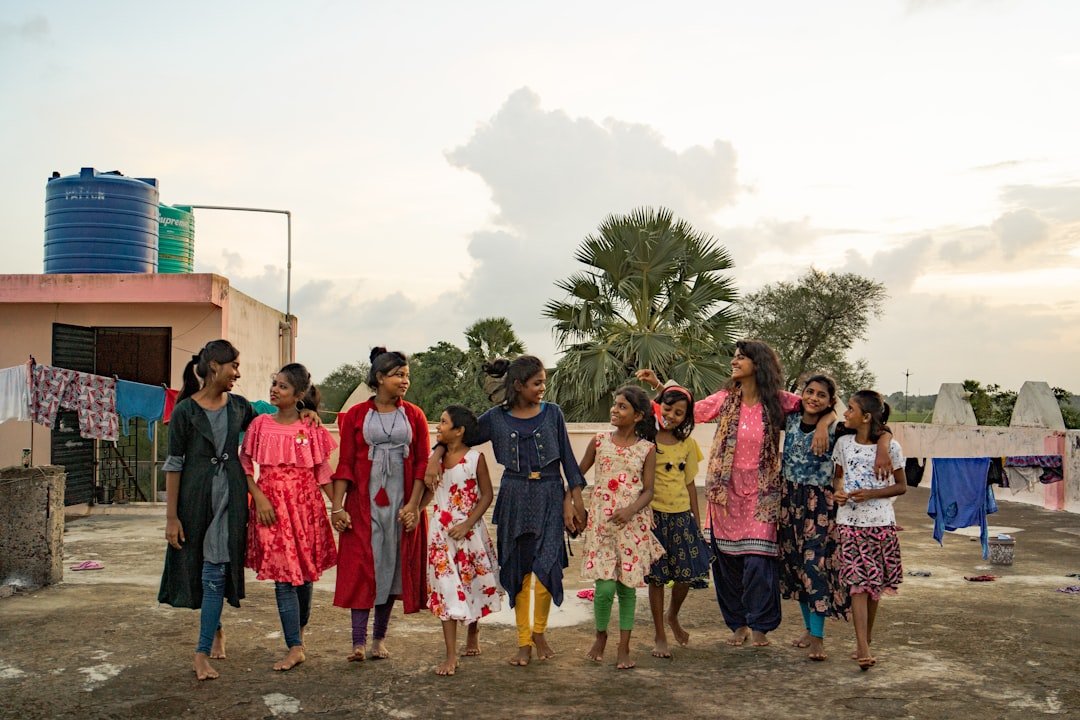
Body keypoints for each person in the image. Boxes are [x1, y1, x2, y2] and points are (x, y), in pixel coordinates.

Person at [426, 355, 587, 667]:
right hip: (514, 497)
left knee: (547, 567)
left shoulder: (553, 413)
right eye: (537, 382)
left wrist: (574, 500)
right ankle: (524, 641)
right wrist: (436, 454)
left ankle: (539, 632)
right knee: (520, 571)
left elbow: (568, 459)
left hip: (550, 494)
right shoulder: (496, 418)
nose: (542, 387)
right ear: (518, 385)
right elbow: (460, 434)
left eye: (543, 382)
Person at [158, 340, 257, 681]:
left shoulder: (240, 407)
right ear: (215, 366)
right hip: (196, 500)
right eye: (234, 366)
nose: (237, 373)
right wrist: (172, 518)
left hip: (231, 500)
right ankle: (215, 629)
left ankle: (200, 653)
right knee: (201, 567)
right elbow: (174, 464)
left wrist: (304, 411)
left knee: (214, 571)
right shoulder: (185, 411)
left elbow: (272, 425)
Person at [332, 348, 430, 663]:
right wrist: (337, 506)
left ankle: (378, 640)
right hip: (363, 504)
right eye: (399, 375)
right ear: (380, 378)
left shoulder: (414, 415)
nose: (405, 381)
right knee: (363, 568)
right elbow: (345, 463)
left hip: (401, 506)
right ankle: (357, 642)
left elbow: (422, 463)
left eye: (407, 375)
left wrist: (414, 506)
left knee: (391, 568)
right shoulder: (356, 415)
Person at [241, 363, 338, 671]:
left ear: (298, 395)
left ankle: (299, 634)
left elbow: (322, 471)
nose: (275, 390)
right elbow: (244, 464)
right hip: (270, 509)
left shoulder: (311, 427)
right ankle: (294, 646)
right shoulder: (259, 424)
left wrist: (339, 506)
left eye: (283, 386)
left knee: (305, 576)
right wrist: (258, 497)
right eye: (274, 383)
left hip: (306, 508)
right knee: (283, 578)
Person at [578, 385, 664, 670]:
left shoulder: (646, 449)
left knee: (627, 588)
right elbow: (578, 475)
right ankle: (601, 635)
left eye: (622, 406)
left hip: (632, 527)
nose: (614, 409)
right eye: (615, 404)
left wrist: (630, 510)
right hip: (602, 527)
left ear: (638, 416)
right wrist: (572, 502)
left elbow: (648, 491)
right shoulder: (599, 441)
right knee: (603, 589)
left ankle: (624, 646)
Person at [833, 390, 907, 671]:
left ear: (865, 417)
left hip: (880, 524)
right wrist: (839, 493)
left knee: (873, 586)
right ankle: (862, 646)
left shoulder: (892, 448)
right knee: (857, 584)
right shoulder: (843, 444)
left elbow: (901, 486)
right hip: (849, 523)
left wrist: (872, 494)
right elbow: (837, 479)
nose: (845, 413)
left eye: (851, 409)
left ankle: (866, 638)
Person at [425, 405, 501, 676]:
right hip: (441, 535)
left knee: (471, 585)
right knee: (447, 589)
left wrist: (468, 524)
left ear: (459, 431)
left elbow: (487, 495)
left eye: (444, 422)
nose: (438, 426)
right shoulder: (434, 458)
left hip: (469, 533)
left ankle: (473, 630)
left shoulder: (475, 459)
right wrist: (413, 509)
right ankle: (450, 655)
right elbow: (427, 490)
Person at [778, 375, 849, 662]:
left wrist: (825, 422)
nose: (814, 398)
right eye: (810, 392)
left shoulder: (837, 428)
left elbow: (880, 430)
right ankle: (809, 628)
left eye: (822, 395)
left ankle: (818, 637)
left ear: (831, 401)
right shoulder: (790, 420)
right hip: (789, 502)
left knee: (814, 567)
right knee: (797, 567)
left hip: (818, 504)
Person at [641, 383, 711, 659]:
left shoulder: (688, 445)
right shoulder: (647, 443)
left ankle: (672, 615)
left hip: (682, 517)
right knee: (657, 577)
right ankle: (659, 634)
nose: (671, 415)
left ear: (686, 418)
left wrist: (697, 519)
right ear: (658, 406)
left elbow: (690, 483)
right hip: (654, 517)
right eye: (667, 408)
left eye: (679, 413)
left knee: (686, 574)